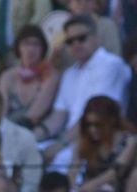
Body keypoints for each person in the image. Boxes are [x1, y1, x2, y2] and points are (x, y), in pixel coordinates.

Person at [38, 15, 131, 151]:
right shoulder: (70, 74)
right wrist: (32, 136)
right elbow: (58, 117)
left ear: (96, 38)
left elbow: (97, 114)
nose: (76, 44)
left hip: (99, 142)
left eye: (81, 38)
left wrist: (60, 145)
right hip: (69, 141)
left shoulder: (111, 65)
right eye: (70, 41)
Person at [0, 24, 58, 133]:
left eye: (36, 44)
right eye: (26, 44)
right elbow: (2, 110)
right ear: (18, 48)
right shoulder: (7, 76)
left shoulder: (49, 75)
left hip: (34, 131)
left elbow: (35, 114)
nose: (30, 49)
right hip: (5, 129)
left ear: (43, 49)